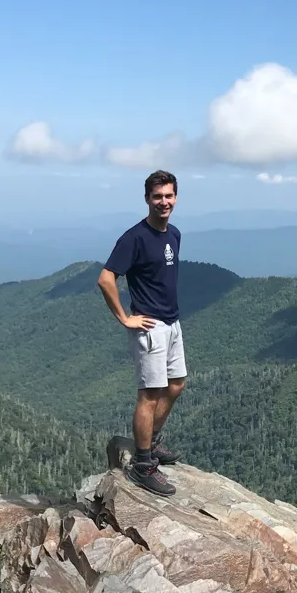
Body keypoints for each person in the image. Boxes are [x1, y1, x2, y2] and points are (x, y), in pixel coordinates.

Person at [97, 170, 185, 496]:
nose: (164, 202)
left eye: (169, 196)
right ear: (147, 199)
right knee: (149, 395)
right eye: (157, 196)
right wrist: (125, 318)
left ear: (176, 198)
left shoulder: (173, 234)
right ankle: (143, 465)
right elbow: (106, 278)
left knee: (176, 385)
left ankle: (151, 442)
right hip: (150, 327)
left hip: (172, 323)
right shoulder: (134, 238)